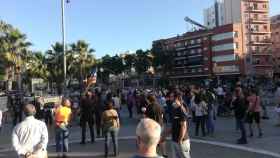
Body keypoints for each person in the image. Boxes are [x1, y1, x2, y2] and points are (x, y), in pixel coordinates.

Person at [170, 92, 191, 158]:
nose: (170, 98)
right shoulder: (173, 108)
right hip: (174, 139)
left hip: (182, 141)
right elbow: (173, 124)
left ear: (176, 98)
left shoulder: (181, 109)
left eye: (171, 97)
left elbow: (184, 126)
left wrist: (180, 140)